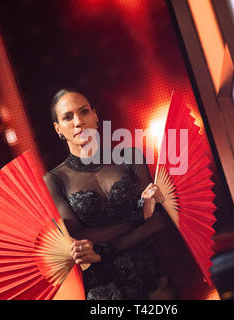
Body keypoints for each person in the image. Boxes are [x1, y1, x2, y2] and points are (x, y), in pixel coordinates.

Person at [43, 88, 176, 300]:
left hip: (154, 283)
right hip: (105, 293)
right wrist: (139, 215)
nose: (78, 121)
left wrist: (101, 252)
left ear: (95, 116)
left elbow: (156, 222)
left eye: (84, 111)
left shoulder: (130, 156)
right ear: (58, 129)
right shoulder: (55, 180)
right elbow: (78, 237)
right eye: (68, 117)